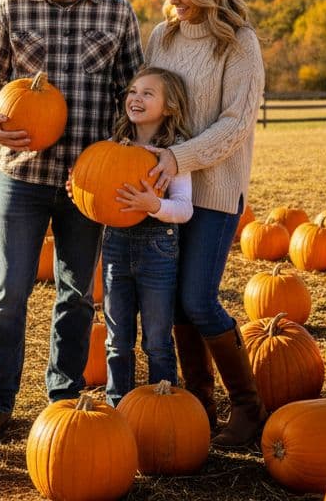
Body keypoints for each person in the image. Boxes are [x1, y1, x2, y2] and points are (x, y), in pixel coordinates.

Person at [0, 0, 144, 443]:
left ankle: (61, 400)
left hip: (88, 183)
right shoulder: (11, 8)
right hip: (21, 175)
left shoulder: (117, 13)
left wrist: (119, 153)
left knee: (75, 294)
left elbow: (131, 92)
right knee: (8, 289)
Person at [141, 0, 265, 447]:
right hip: (166, 190)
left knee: (197, 297)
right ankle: (198, 404)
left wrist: (178, 157)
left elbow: (236, 124)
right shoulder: (160, 37)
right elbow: (148, 100)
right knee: (172, 303)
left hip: (215, 190)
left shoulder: (239, 43)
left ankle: (248, 404)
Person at [97, 66, 194, 406]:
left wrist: (154, 204)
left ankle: (162, 407)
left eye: (147, 93)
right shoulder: (113, 145)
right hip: (116, 245)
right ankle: (118, 405)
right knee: (117, 337)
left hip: (158, 247)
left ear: (169, 107)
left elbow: (184, 209)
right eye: (133, 91)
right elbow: (98, 193)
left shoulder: (173, 153)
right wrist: (80, 188)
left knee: (156, 339)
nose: (136, 98)